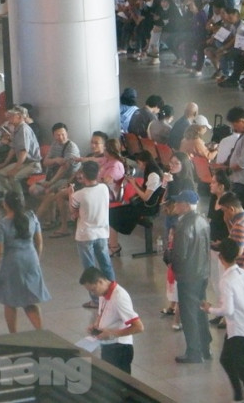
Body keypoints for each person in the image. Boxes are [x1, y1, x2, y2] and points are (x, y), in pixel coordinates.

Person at [202, 240, 244, 403]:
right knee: (226, 360)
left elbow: (227, 310)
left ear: (220, 258)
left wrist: (210, 309)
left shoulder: (226, 280)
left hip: (238, 330)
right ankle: (238, 394)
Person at [0, 191, 50, 333]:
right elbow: (39, 242)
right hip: (31, 259)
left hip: (12, 263)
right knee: (30, 301)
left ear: (5, 205)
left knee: (9, 301)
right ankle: (41, 332)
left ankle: (13, 335)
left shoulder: (1, 225)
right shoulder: (32, 217)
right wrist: (36, 259)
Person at [170, 189, 212, 363]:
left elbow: (180, 254)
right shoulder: (203, 221)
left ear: (186, 206)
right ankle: (205, 348)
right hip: (202, 273)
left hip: (188, 275)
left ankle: (194, 352)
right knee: (201, 311)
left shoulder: (183, 225)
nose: (175, 205)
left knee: (189, 314)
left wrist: (170, 260)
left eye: (178, 202)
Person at [80, 266, 144, 375]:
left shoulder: (119, 297)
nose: (93, 293)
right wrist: (96, 325)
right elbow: (102, 313)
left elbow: (139, 327)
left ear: (100, 281)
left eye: (93, 290)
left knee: (121, 382)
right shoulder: (103, 293)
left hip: (120, 349)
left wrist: (112, 334)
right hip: (108, 345)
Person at [69, 160, 115, 309]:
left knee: (89, 268)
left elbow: (73, 211)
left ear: (83, 174)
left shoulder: (79, 194)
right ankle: (112, 294)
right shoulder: (104, 188)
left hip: (85, 235)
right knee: (106, 264)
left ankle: (95, 300)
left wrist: (70, 195)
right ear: (98, 173)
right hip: (102, 233)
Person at [0, 106, 42, 197]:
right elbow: (13, 149)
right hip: (24, 163)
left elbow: (23, 152)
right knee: (1, 173)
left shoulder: (23, 129)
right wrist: (4, 163)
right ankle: (12, 196)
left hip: (32, 164)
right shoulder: (17, 128)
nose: (9, 117)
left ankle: (19, 201)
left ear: (19, 116)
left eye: (12, 115)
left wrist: (15, 169)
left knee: (14, 177)